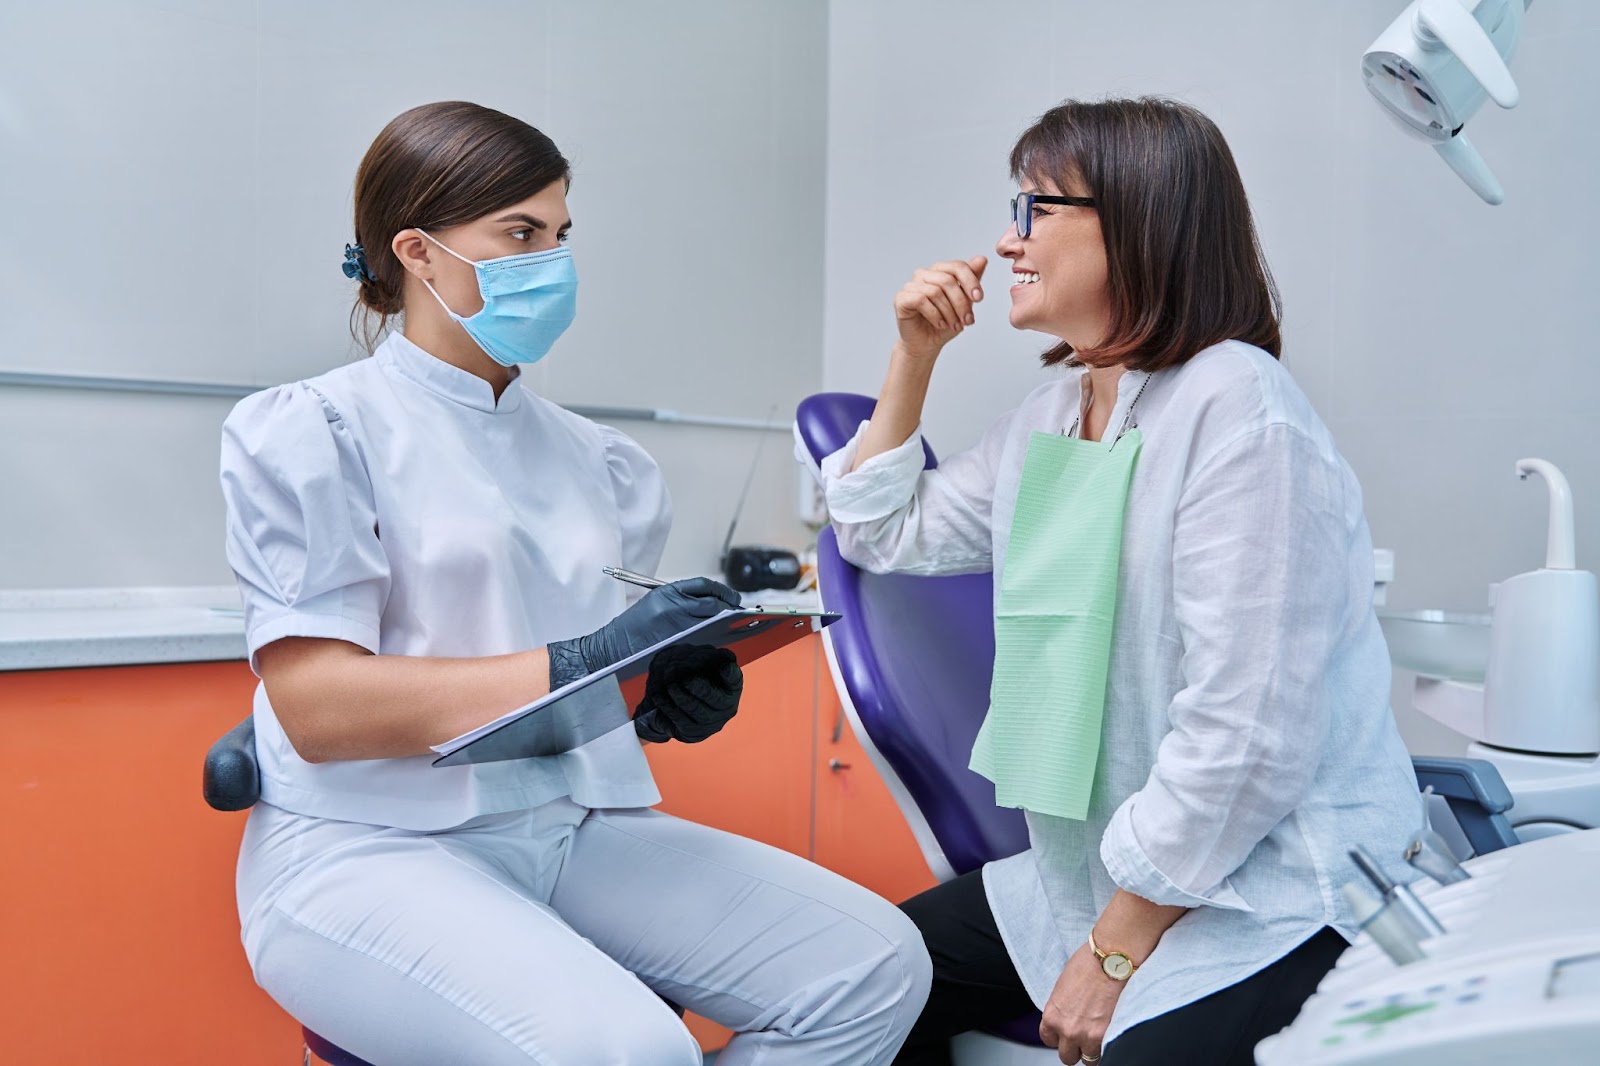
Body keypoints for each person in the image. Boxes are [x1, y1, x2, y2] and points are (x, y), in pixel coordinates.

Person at [221, 100, 930, 1066]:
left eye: (560, 233)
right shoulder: (317, 431)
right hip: (363, 847)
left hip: (569, 829)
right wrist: (586, 662)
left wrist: (649, 693)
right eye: (519, 233)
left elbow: (574, 681)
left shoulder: (601, 462)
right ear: (418, 252)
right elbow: (318, 709)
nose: (552, 260)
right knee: (631, 1052)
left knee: (875, 965)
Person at [811, 97, 1421, 1065]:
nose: (1008, 243)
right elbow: (879, 528)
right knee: (863, 980)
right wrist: (912, 356)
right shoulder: (1053, 416)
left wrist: (1116, 943)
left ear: (1137, 222)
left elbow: (1246, 736)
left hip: (1268, 885)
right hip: (1091, 877)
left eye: (1035, 210)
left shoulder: (1240, 409)